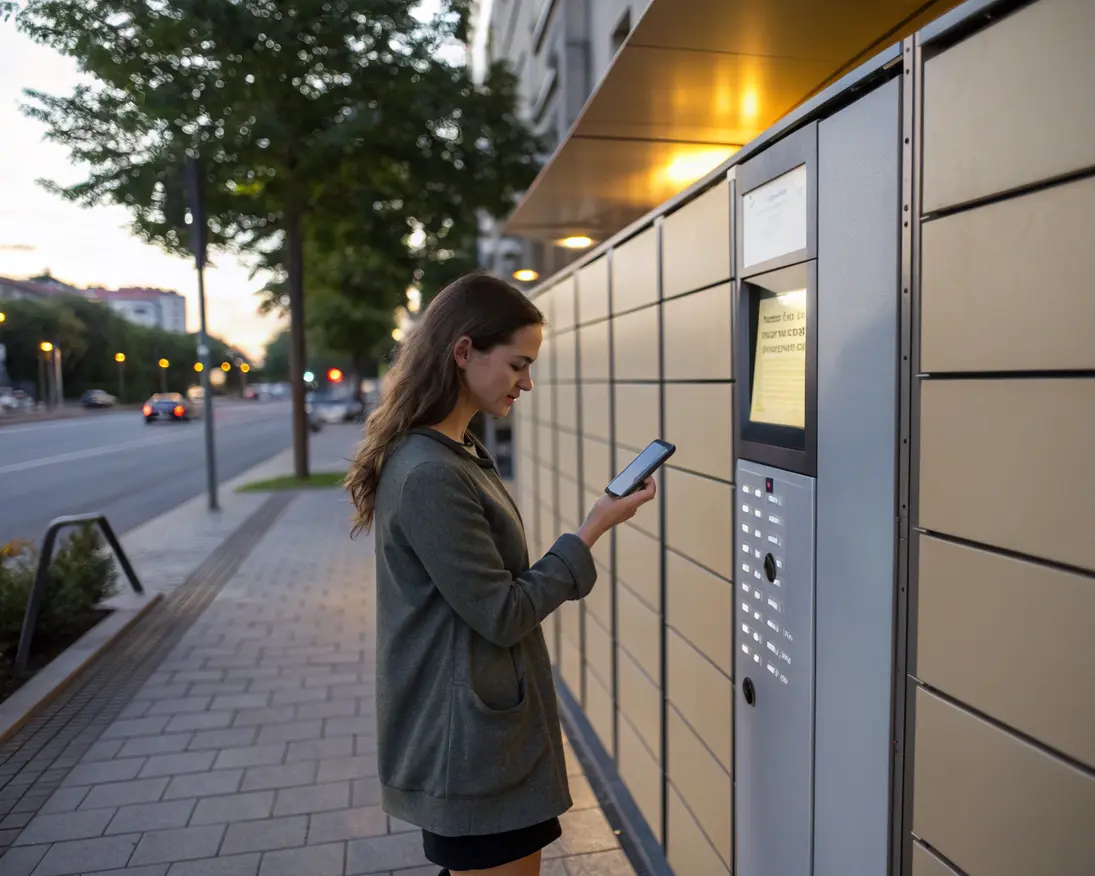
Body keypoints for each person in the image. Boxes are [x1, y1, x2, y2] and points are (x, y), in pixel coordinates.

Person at [346, 272, 657, 876]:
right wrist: (592, 529)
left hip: (481, 739)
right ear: (464, 352)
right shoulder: (432, 472)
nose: (527, 382)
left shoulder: (453, 452)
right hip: (469, 750)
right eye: (518, 364)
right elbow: (503, 612)